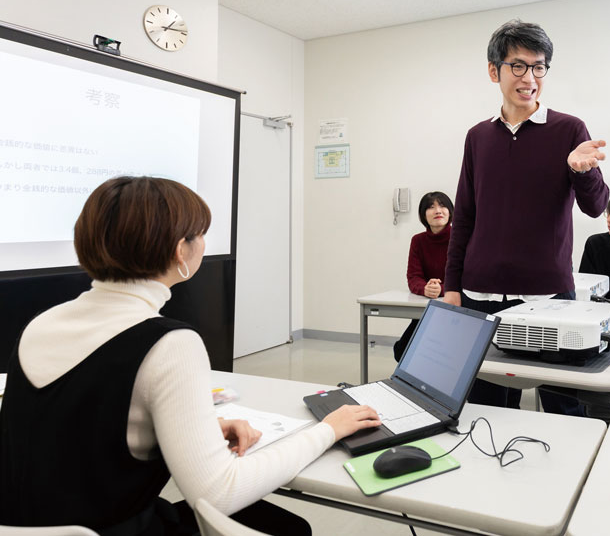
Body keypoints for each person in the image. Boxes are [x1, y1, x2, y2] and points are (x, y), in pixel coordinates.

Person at [0, 176, 380, 535]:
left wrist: (197, 429)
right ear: (180, 250)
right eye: (200, 235)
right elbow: (219, 491)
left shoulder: (41, 324)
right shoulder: (169, 343)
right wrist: (328, 429)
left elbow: (78, 428)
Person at [442, 19, 609, 408]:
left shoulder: (569, 129)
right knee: (486, 410)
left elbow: (597, 205)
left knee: (563, 406)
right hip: (479, 295)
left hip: (547, 294)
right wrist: (453, 286)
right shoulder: (478, 136)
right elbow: (464, 215)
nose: (529, 77)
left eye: (538, 67)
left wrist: (581, 172)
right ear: (493, 70)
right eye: (518, 65)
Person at [393, 191, 454, 361]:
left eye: (442, 206)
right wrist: (426, 288)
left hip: (455, 308)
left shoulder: (460, 238)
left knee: (441, 353)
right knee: (402, 352)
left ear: (450, 211)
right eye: (431, 207)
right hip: (427, 307)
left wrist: (441, 289)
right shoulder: (418, 241)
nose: (438, 210)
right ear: (423, 214)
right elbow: (413, 276)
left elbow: (466, 276)